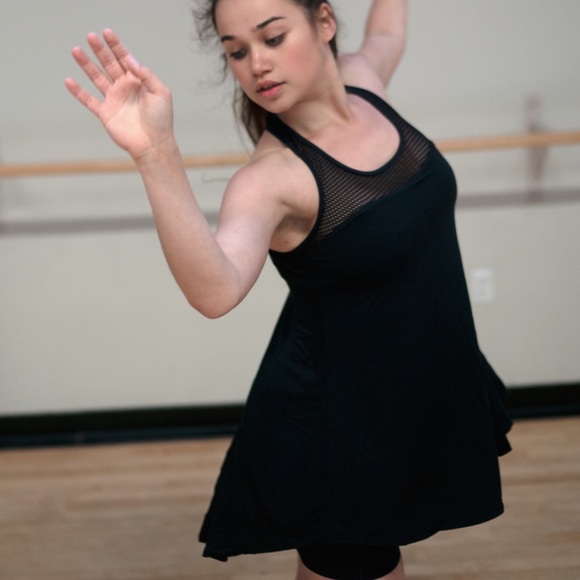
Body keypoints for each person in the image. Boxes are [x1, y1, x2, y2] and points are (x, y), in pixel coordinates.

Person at [66, 0, 513, 578]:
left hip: (407, 401)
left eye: (272, 38)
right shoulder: (272, 179)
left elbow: (386, 30)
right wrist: (156, 155)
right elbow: (215, 291)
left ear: (323, 22)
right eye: (236, 52)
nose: (256, 64)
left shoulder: (365, 83)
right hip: (341, 429)